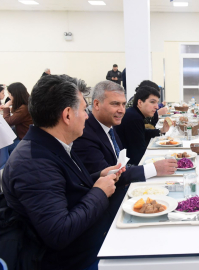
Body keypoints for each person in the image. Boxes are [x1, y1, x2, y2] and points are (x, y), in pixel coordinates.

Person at [2, 74, 125, 270]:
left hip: (87, 244)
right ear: (67, 115)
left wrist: (99, 177)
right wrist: (99, 192)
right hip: (71, 260)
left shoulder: (54, 145)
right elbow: (59, 233)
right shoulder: (33, 162)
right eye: (84, 110)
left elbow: (64, 187)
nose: (87, 116)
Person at [73, 81, 177, 215]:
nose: (122, 110)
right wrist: (154, 169)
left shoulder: (109, 126)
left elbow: (121, 163)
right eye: (115, 104)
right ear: (97, 104)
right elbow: (110, 178)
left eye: (123, 104)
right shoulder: (85, 134)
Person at [115, 86, 171, 165]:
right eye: (152, 102)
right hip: (127, 166)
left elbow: (142, 133)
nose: (157, 107)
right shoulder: (134, 118)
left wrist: (161, 131)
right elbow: (139, 154)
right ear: (140, 103)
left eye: (157, 102)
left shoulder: (134, 113)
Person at [1, 82, 33, 153]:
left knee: (4, 145)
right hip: (26, 137)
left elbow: (7, 122)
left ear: (15, 95)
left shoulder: (24, 109)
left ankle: (5, 163)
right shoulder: (26, 104)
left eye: (9, 94)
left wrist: (6, 107)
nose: (9, 96)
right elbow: (15, 113)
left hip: (25, 140)